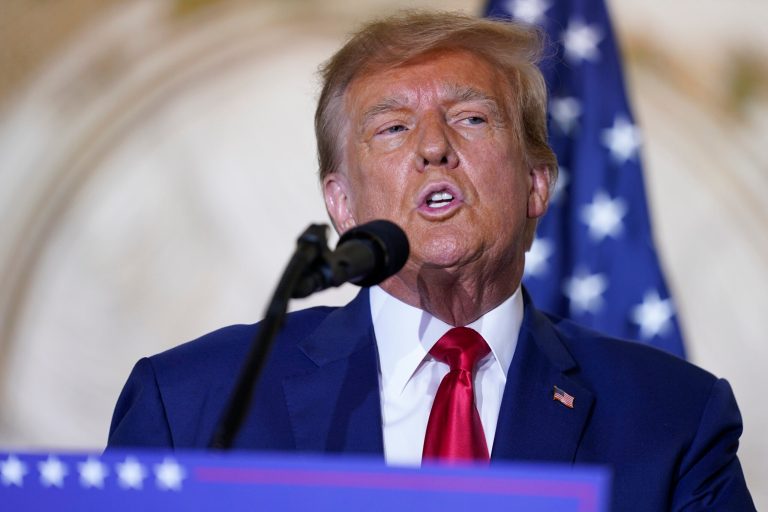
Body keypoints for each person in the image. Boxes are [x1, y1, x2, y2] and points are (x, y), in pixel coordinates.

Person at [108, 11, 755, 510]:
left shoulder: (672, 420)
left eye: (471, 118)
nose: (433, 148)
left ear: (537, 185)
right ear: (341, 203)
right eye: (392, 128)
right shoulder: (190, 405)